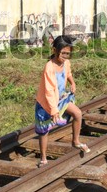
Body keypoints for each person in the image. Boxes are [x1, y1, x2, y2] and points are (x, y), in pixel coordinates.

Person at [35, 35, 90, 167]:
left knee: (77, 113)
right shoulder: (49, 67)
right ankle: (43, 158)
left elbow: (68, 73)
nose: (65, 56)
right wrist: (53, 111)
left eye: (68, 54)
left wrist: (72, 83)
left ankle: (75, 141)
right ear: (54, 50)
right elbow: (48, 91)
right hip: (46, 103)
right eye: (63, 53)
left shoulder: (66, 63)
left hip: (60, 99)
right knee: (45, 130)